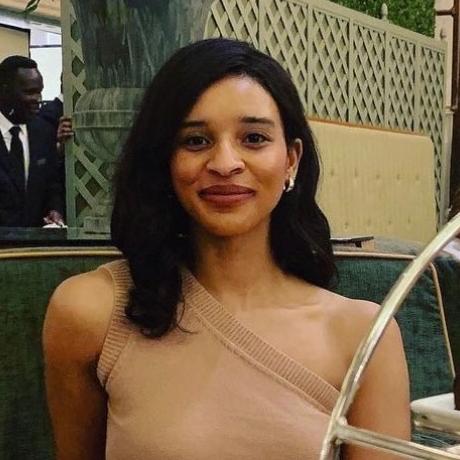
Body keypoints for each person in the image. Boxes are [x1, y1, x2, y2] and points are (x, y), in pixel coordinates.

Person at [43, 38, 410, 459]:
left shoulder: (363, 336)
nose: (225, 163)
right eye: (196, 141)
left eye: (253, 138)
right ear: (165, 159)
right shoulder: (92, 313)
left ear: (291, 160)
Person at [0, 55, 64, 227]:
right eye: (29, 92)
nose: (38, 99)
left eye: (39, 91)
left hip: (33, 241)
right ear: (5, 91)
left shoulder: (43, 131)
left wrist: (54, 211)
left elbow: (52, 184)